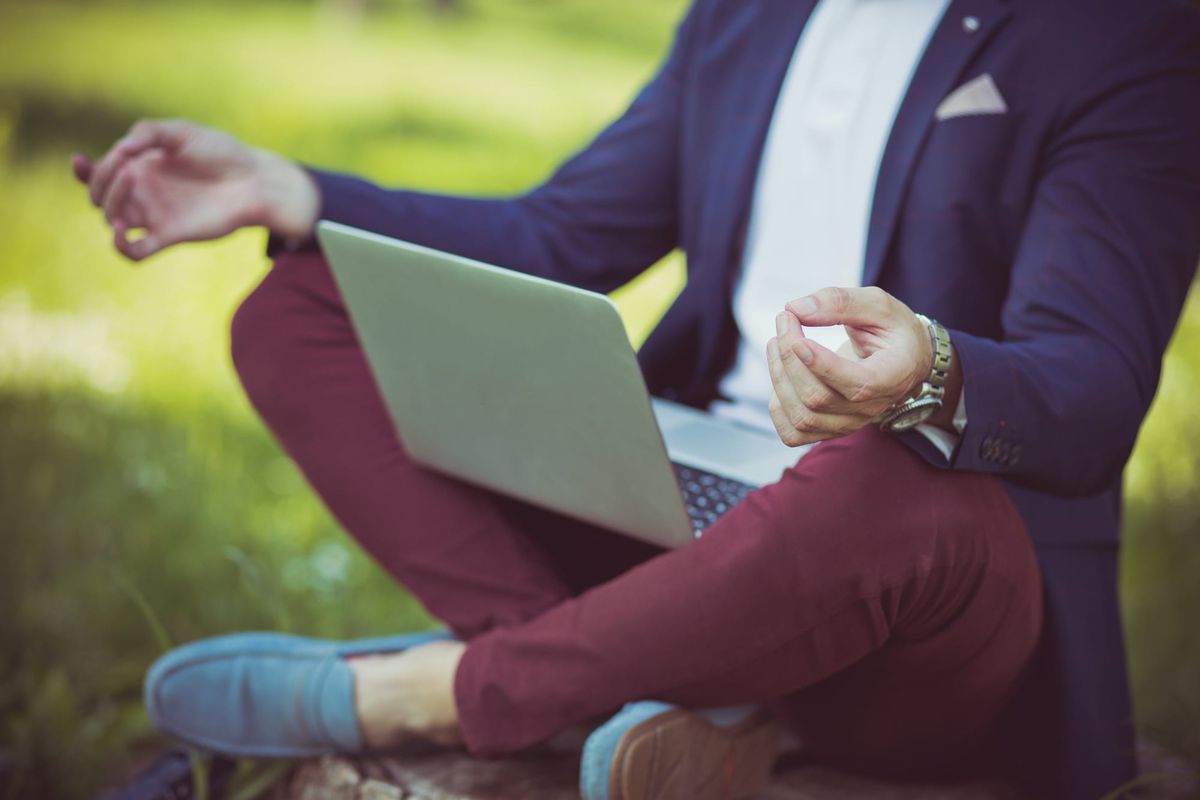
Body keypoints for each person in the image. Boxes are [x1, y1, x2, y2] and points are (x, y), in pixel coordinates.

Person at [73, 0, 1200, 798]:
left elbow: (1092, 384)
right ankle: (646, 695)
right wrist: (298, 190)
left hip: (908, 583)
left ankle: (450, 692)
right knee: (299, 309)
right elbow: (558, 236)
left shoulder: (1126, 33)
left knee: (890, 471)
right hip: (678, 511)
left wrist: (933, 373)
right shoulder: (746, 14)